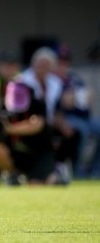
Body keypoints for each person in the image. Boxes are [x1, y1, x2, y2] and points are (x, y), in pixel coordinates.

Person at [0, 81, 56, 185]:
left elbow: (37, 124)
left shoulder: (37, 105)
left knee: (37, 184)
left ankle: (56, 174)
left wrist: (8, 129)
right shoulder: (1, 107)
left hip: (38, 154)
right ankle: (12, 176)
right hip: (15, 155)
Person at [19, 46, 77, 184]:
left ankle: (62, 168)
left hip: (49, 125)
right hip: (29, 124)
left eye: (46, 65)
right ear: (33, 64)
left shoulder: (55, 83)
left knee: (72, 134)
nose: (42, 68)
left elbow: (58, 109)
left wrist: (62, 123)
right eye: (40, 64)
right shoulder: (23, 81)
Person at [54, 45, 100, 178]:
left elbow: (90, 97)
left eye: (66, 61)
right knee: (82, 131)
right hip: (66, 118)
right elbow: (64, 102)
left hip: (85, 117)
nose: (63, 64)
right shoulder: (53, 80)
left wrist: (76, 97)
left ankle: (95, 171)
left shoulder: (74, 78)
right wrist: (77, 97)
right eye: (60, 61)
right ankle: (78, 172)